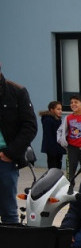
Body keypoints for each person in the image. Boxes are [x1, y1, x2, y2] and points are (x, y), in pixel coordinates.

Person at [0, 63, 38, 224]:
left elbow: (30, 126)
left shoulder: (17, 92)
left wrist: (10, 153)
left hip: (5, 160)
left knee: (8, 210)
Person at [39, 101, 64, 169]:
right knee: (53, 167)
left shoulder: (58, 120)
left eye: (61, 109)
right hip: (52, 148)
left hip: (58, 147)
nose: (60, 111)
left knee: (58, 165)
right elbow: (49, 136)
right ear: (52, 110)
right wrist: (52, 149)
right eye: (58, 109)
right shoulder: (48, 120)